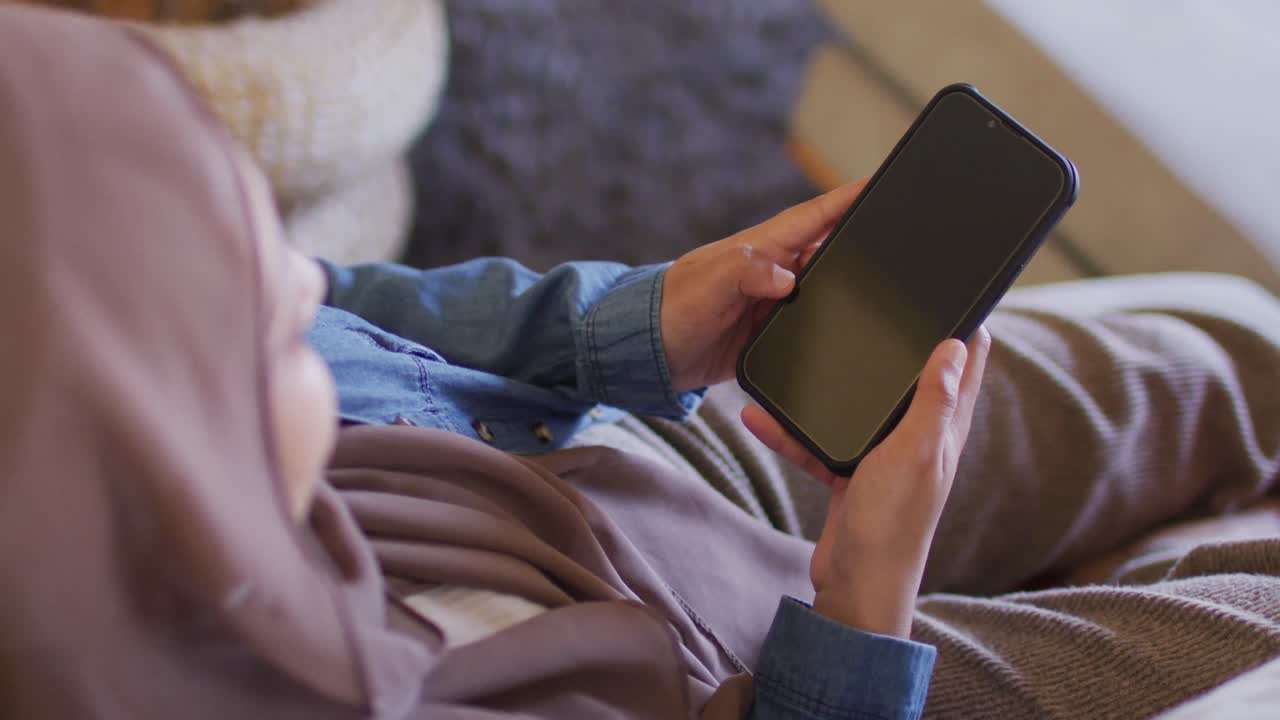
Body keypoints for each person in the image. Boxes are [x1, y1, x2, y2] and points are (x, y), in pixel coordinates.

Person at [2, 6, 1277, 720]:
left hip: (602, 465)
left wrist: (628, 325)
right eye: (263, 321)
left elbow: (362, 305)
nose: (307, 287)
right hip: (770, 675)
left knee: (1215, 359)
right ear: (147, 482)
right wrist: (861, 613)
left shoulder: (137, 391)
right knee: (1241, 632)